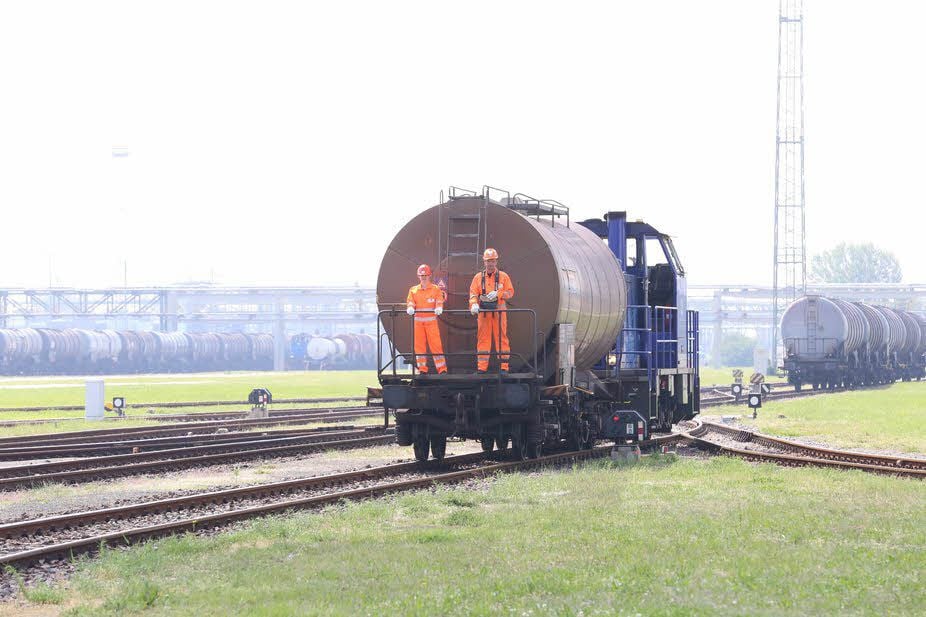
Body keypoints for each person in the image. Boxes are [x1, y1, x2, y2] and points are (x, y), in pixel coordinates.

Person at [469, 248, 515, 373]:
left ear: (496, 261)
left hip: (499, 312)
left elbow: (510, 292)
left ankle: (504, 368)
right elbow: (473, 294)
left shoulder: (504, 276)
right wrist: (473, 305)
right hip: (483, 314)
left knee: (501, 338)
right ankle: (482, 368)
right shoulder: (478, 278)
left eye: (493, 261)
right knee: (483, 339)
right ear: (484, 262)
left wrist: (498, 294)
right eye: (488, 261)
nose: (490, 263)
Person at [406, 264, 447, 374]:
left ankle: (442, 369)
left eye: (425, 275)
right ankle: (422, 369)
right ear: (418, 276)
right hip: (418, 323)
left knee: (436, 346)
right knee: (419, 347)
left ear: (429, 276)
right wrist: (410, 307)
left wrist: (439, 307)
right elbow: (410, 301)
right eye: (421, 275)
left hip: (431, 323)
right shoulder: (413, 290)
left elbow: (439, 299)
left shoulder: (435, 289)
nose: (423, 277)